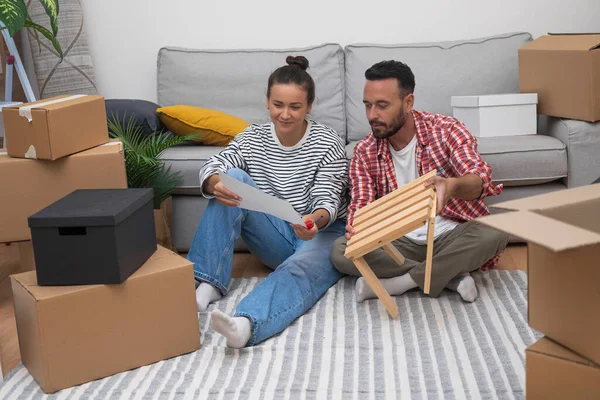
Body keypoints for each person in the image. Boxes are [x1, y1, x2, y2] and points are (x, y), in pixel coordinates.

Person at [188, 56, 349, 348]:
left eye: (295, 106)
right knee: (232, 175)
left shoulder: (328, 141)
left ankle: (247, 324)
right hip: (275, 234)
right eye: (278, 105)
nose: (285, 114)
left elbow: (329, 196)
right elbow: (214, 164)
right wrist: (216, 184)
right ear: (267, 101)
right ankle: (207, 284)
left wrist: (314, 220)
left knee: (300, 268)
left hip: (319, 232)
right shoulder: (252, 137)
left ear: (309, 106)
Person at [330, 60, 509, 303]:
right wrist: (356, 227)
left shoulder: (446, 130)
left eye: (382, 106)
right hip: (399, 242)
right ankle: (451, 276)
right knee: (341, 251)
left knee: (500, 228)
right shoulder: (364, 150)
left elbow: (480, 179)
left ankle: (402, 283)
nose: (372, 115)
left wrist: (452, 185)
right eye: (368, 105)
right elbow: (360, 205)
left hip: (451, 236)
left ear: (408, 102)